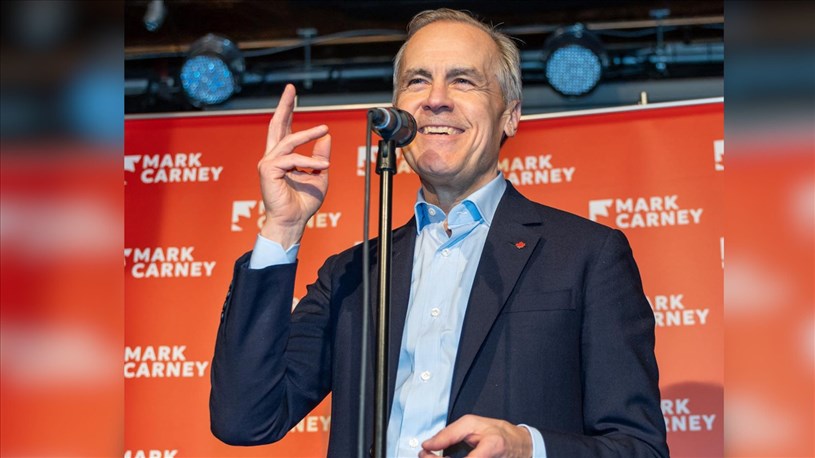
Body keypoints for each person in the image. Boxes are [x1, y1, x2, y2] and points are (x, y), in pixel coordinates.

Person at [210, 8, 668, 458]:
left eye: (463, 80)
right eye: (417, 81)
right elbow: (245, 418)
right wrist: (283, 226)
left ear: (510, 115)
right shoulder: (353, 274)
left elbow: (639, 447)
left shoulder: (586, 255)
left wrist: (527, 447)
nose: (436, 99)